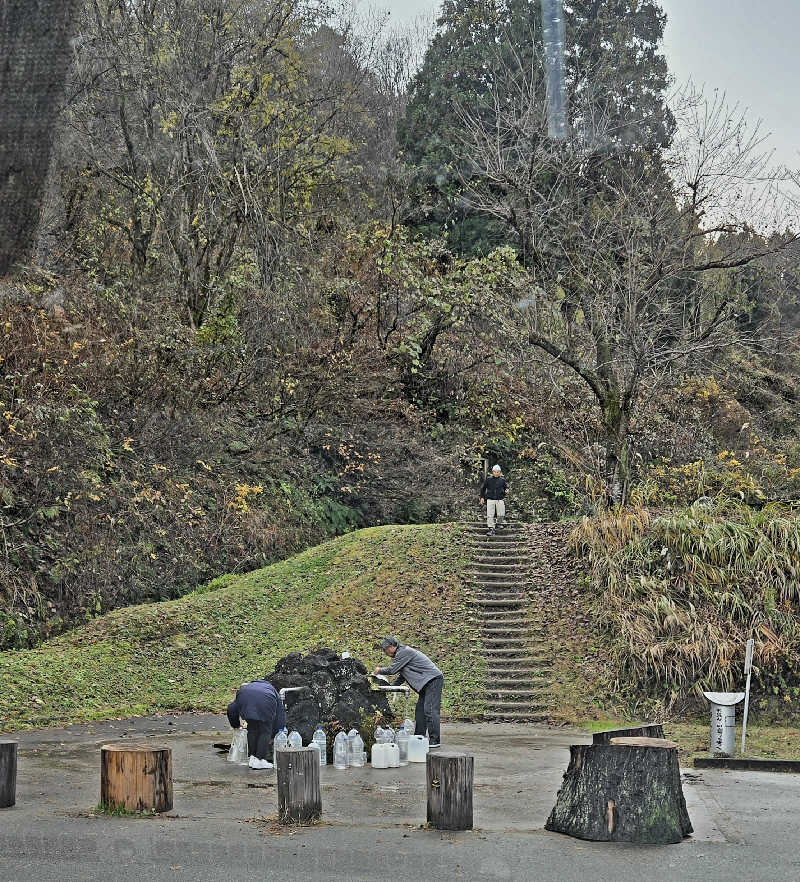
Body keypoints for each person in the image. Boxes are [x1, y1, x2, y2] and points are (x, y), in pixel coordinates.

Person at [373, 637, 444, 748]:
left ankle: (435, 740)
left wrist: (379, 670)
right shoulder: (401, 655)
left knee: (430, 710)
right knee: (420, 712)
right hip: (425, 684)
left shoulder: (404, 652)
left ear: (392, 647)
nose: (385, 653)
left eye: (385, 650)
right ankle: (419, 737)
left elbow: (392, 670)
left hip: (433, 680)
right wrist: (392, 687)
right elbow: (402, 675)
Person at [226, 678, 286, 770]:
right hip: (266, 702)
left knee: (252, 730)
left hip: (247, 708)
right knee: (265, 731)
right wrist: (277, 732)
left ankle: (252, 758)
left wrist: (236, 725)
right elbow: (280, 714)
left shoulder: (244, 690)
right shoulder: (271, 689)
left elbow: (231, 709)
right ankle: (260, 760)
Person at [480, 464, 508, 535]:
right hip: (490, 499)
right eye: (495, 472)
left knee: (501, 514)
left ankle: (498, 523)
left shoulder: (502, 480)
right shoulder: (488, 479)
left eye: (498, 472)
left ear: (500, 472)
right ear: (493, 472)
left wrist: (507, 491)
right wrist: (482, 497)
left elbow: (506, 488)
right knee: (490, 515)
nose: (496, 473)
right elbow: (483, 489)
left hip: (500, 499)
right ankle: (491, 528)